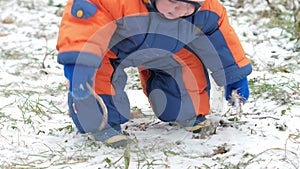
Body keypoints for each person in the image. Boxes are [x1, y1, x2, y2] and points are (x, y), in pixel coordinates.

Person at [56, 0, 252, 147]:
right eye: (174, 1)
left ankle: (187, 113)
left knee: (187, 68)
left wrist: (235, 76)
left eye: (192, 4)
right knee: (98, 76)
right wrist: (79, 64)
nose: (181, 10)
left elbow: (222, 42)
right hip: (113, 48)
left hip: (169, 48)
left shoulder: (207, 10)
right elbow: (85, 23)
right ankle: (103, 125)